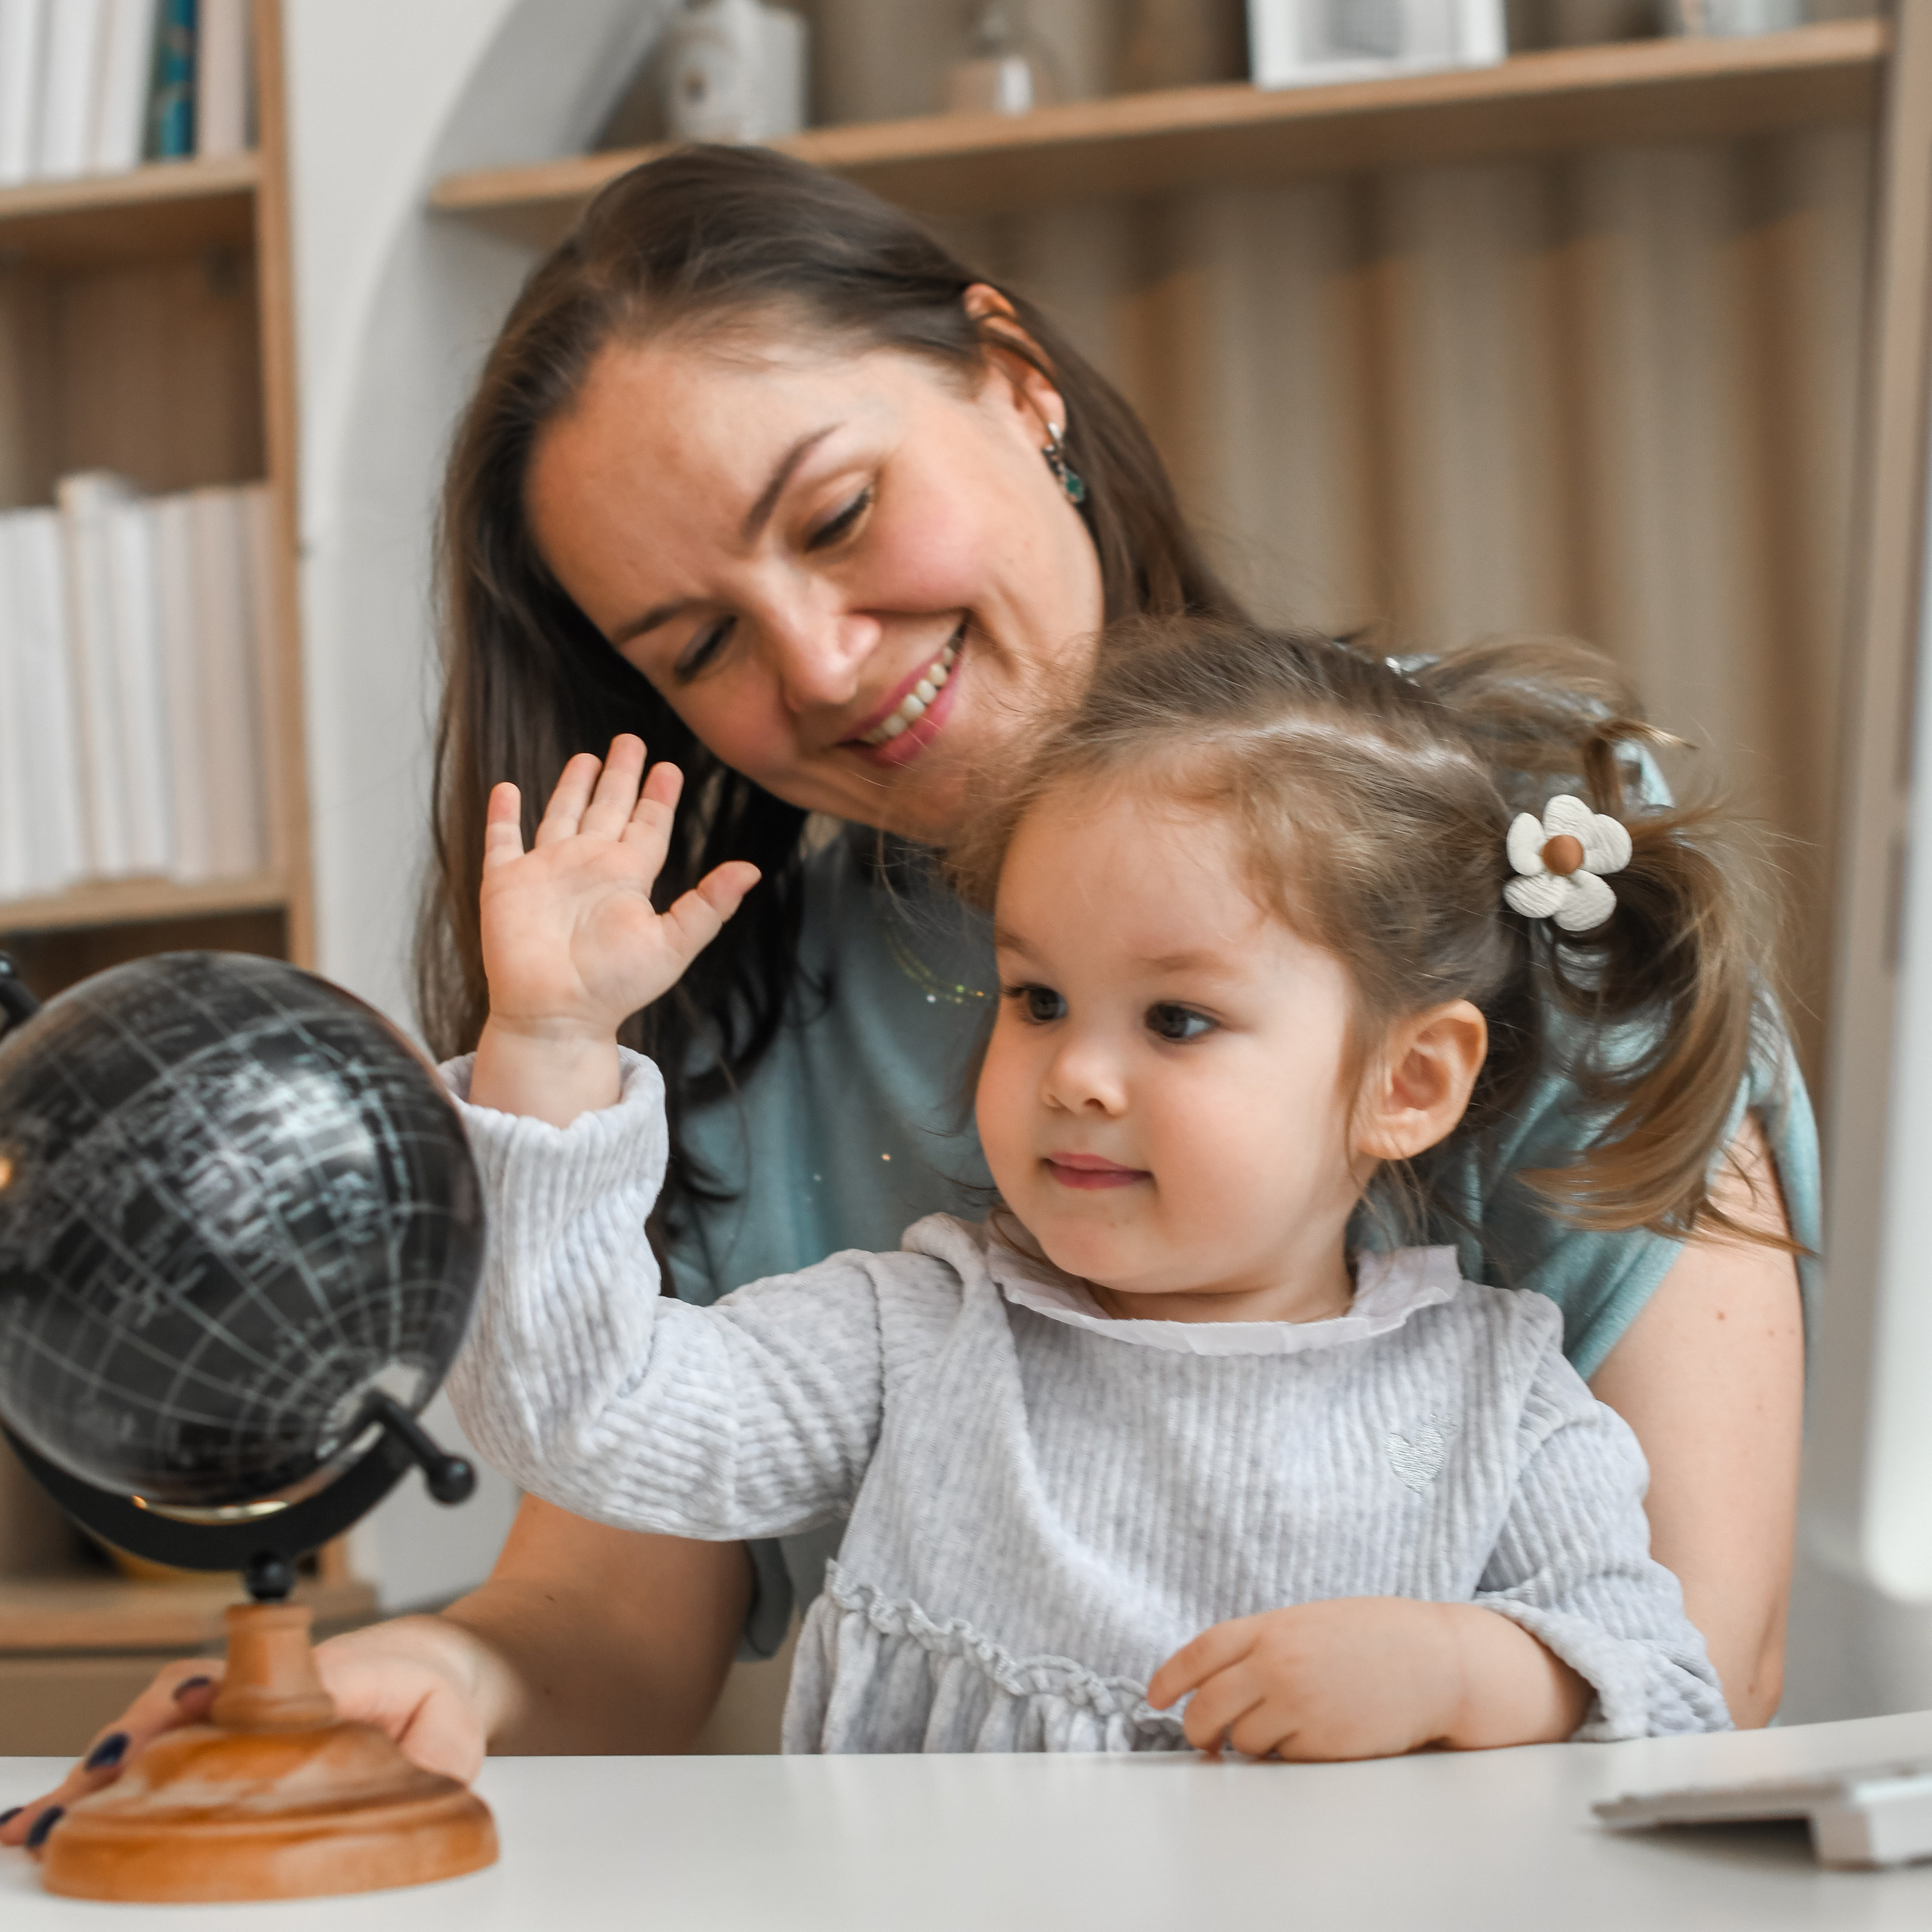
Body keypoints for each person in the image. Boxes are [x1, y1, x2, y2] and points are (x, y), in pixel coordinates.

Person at [1, 143, 1807, 1845]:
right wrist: (424, 1672)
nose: (821, 663)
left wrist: (1465, 1670)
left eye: (842, 514)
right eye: (697, 645)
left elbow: (1689, 1660)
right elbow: (609, 1589)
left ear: (1010, 374)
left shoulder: (1503, 881)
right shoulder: (779, 1075)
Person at [445, 617, 1749, 1755]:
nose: (1076, 1074)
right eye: (1039, 998)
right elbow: (585, 1419)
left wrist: (1472, 1673)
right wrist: (551, 1052)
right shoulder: (918, 1340)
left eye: (1176, 1019)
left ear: (1407, 1084)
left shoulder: (1494, 1411)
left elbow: (1681, 1700)